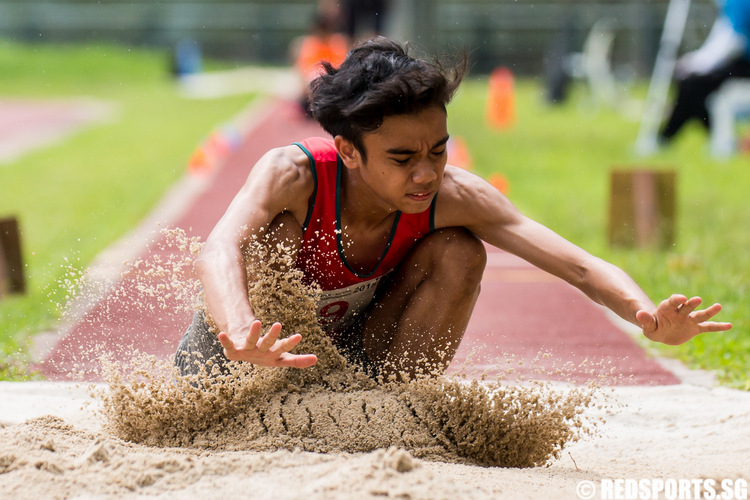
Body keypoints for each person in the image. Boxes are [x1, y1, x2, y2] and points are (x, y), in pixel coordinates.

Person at [175, 37, 732, 381]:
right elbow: (221, 246)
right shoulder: (292, 175)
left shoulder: (452, 196)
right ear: (348, 151)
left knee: (460, 251)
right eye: (402, 157)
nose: (426, 173)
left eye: (437, 150)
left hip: (352, 362)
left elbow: (578, 264)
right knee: (270, 232)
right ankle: (259, 380)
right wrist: (241, 330)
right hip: (238, 359)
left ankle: (392, 410)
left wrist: (647, 318)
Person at [659, 0, 750, 143]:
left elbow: (733, 42)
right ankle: (665, 137)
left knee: (691, 86)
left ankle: (665, 138)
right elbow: (722, 38)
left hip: (744, 65)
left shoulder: (740, 2)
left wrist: (697, 64)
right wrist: (696, 62)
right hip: (740, 62)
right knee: (691, 85)